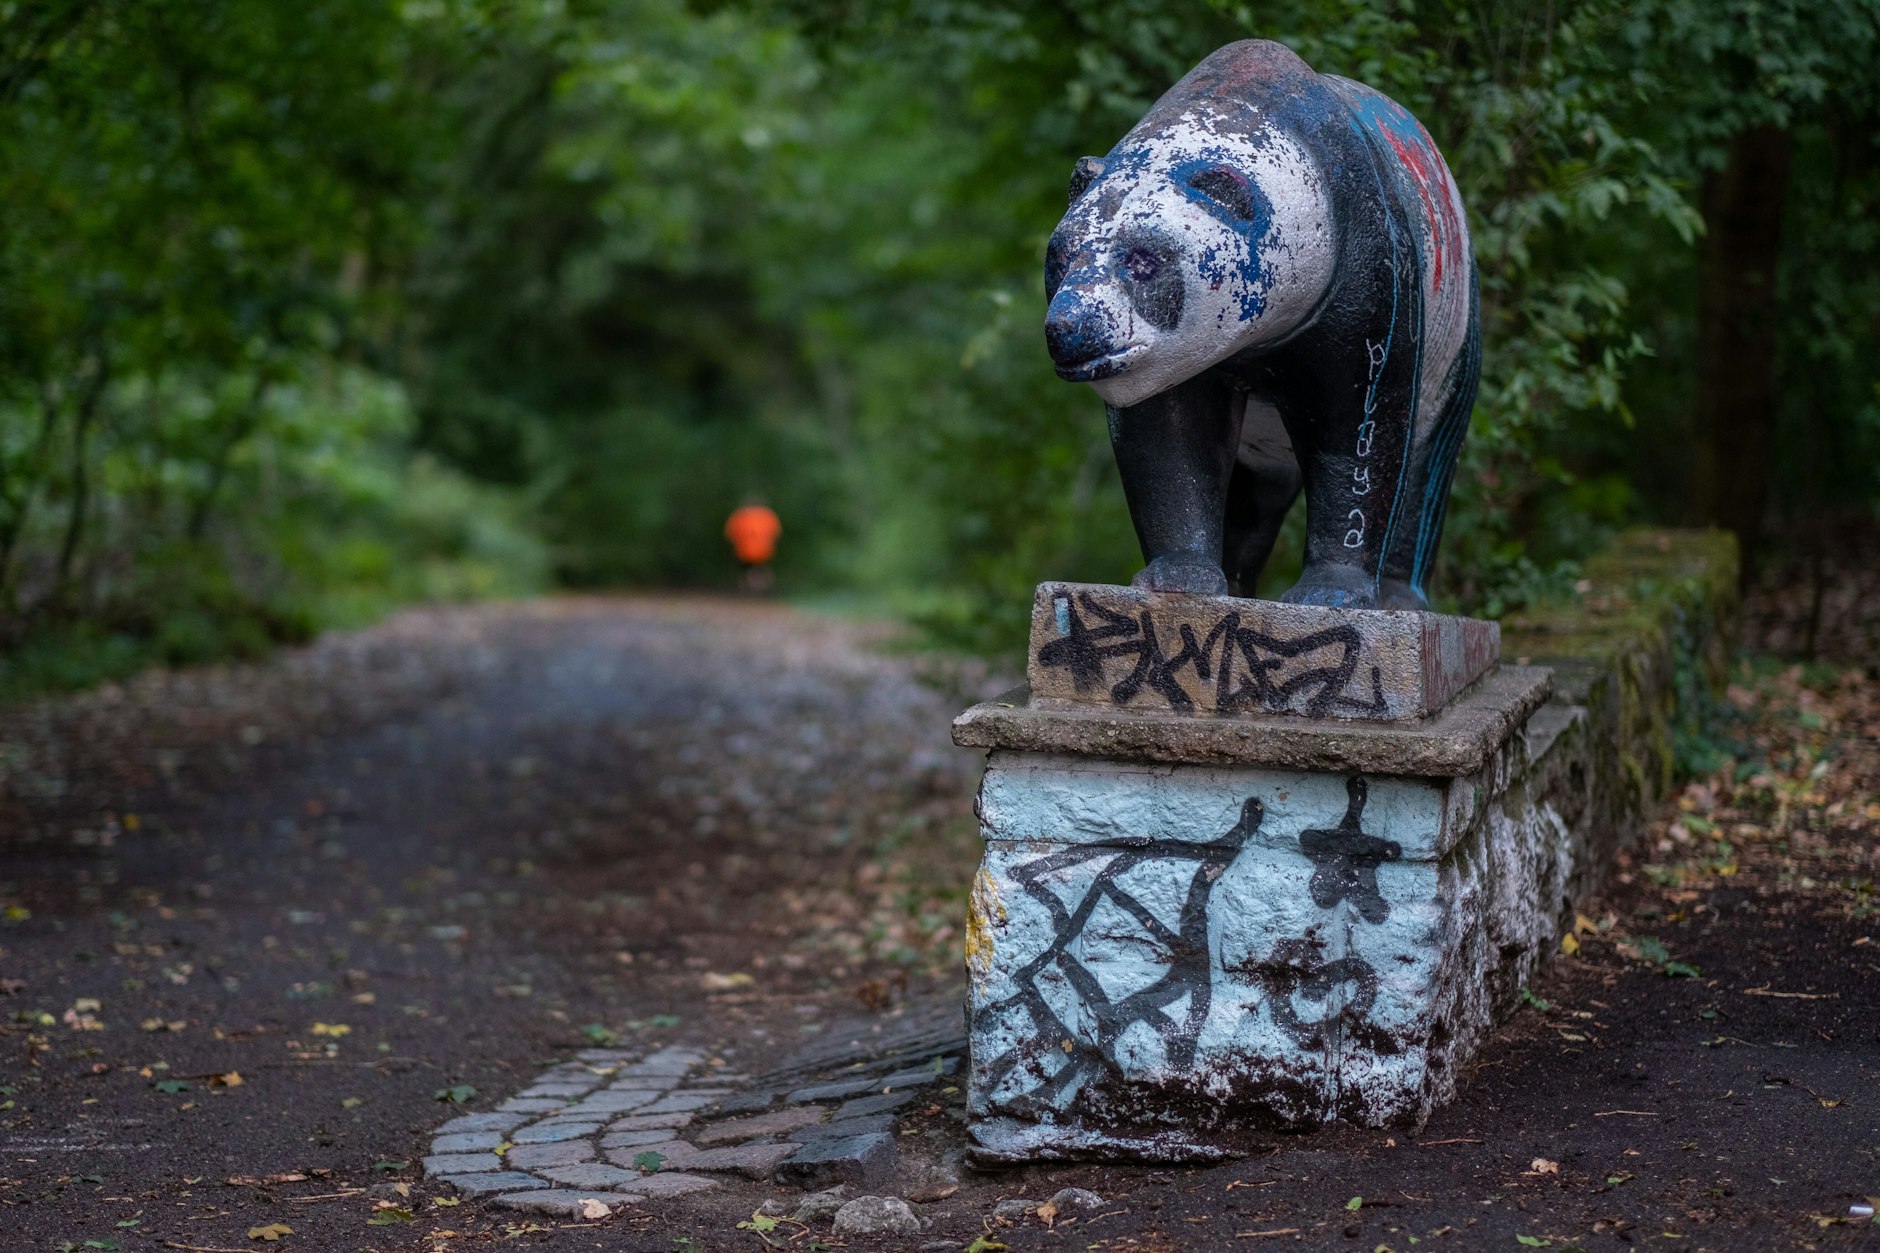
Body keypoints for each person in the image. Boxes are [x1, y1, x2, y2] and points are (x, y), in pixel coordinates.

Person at [724, 500, 781, 592]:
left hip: (744, 551)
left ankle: (751, 589)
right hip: (763, 551)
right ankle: (759, 588)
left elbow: (730, 533)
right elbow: (776, 534)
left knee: (748, 571)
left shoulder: (740, 515)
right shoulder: (767, 515)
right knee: (759, 570)